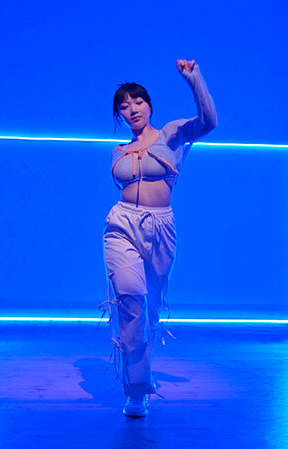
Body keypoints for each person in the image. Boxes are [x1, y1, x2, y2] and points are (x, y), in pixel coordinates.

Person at [100, 59, 217, 417]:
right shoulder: (118, 152)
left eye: (137, 102)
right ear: (119, 115)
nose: (132, 109)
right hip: (122, 224)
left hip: (161, 228)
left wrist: (194, 79)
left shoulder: (171, 134)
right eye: (124, 106)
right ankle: (136, 392)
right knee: (130, 301)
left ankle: (142, 373)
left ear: (149, 106)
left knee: (148, 311)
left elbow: (208, 122)